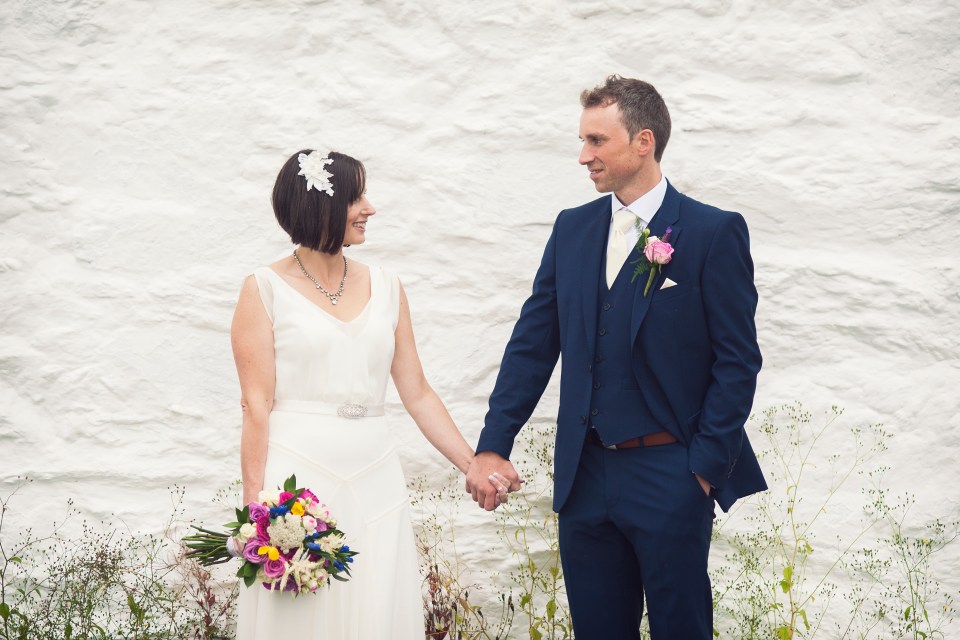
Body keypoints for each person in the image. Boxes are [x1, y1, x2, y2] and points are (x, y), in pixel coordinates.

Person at [465, 76, 768, 639]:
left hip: (671, 472)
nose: (584, 156)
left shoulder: (711, 231)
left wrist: (701, 469)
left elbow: (738, 362)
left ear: (644, 141)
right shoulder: (572, 229)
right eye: (583, 141)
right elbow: (533, 345)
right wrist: (492, 444)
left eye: (597, 141)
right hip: (585, 476)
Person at [231, 149, 509, 640]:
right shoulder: (264, 288)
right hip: (299, 479)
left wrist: (471, 463)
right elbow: (257, 405)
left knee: (379, 604)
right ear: (320, 205)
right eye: (356, 197)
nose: (370, 208)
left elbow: (417, 392)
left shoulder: (387, 285)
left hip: (376, 469)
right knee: (302, 616)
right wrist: (258, 511)